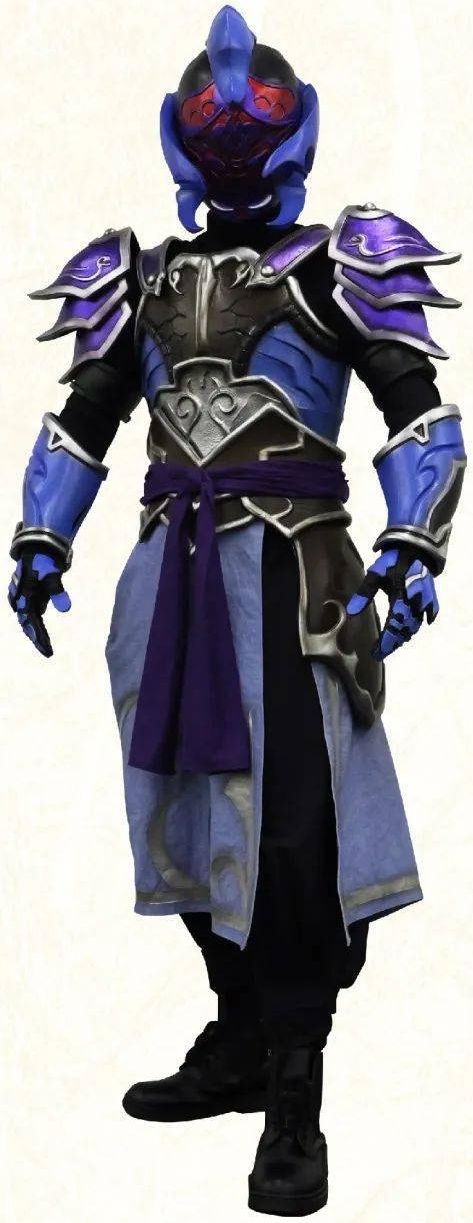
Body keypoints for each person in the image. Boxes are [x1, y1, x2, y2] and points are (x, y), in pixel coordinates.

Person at [8, 6, 465, 1216]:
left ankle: (296, 1089)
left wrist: (411, 541)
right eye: (212, 117)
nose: (229, 132)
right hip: (169, 585)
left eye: (248, 114)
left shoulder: (337, 262)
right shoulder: (141, 275)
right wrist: (42, 533)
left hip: (295, 581)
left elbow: (420, 416)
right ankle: (239, 1036)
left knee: (292, 831)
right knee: (177, 799)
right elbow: (84, 419)